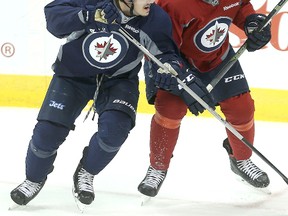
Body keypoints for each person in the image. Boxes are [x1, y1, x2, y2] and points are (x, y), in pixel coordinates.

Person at [10, 0, 214, 207]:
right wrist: (88, 15)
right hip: (73, 75)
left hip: (119, 80)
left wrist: (169, 67)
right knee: (47, 132)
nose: (152, 1)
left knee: (115, 132)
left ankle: (86, 172)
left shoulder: (155, 17)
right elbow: (53, 17)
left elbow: (166, 54)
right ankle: (33, 179)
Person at [138, 0, 272, 197]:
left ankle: (241, 159)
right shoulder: (174, 4)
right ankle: (158, 166)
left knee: (241, 108)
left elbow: (241, 6)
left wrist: (252, 22)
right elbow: (161, 46)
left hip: (218, 57)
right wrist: (182, 79)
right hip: (175, 62)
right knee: (170, 111)